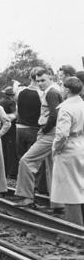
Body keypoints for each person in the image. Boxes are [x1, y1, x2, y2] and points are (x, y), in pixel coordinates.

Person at [15, 69, 63, 207]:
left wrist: (45, 130)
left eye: (43, 80)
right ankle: (57, 205)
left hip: (49, 133)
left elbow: (54, 116)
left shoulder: (51, 93)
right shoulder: (54, 90)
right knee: (51, 167)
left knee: (26, 160)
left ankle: (27, 197)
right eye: (38, 80)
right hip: (53, 133)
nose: (40, 83)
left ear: (51, 79)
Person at [50, 77, 84, 225]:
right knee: (81, 186)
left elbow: (62, 134)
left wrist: (55, 148)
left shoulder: (66, 108)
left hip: (69, 149)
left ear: (67, 90)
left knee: (70, 190)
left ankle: (75, 227)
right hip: (81, 144)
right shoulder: (82, 104)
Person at [0, 86, 18, 179]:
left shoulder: (0, 102)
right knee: (12, 150)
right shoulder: (11, 102)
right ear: (12, 95)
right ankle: (12, 172)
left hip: (2, 127)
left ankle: (4, 170)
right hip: (11, 128)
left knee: (4, 149)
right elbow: (14, 115)